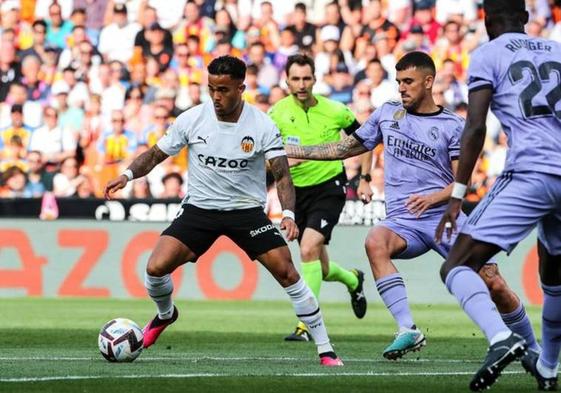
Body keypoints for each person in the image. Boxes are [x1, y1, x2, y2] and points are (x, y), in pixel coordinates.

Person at [283, 51, 538, 363]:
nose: (401, 88)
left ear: (428, 82)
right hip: (403, 222)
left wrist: (434, 198)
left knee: (492, 281)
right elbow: (342, 148)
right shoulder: (387, 114)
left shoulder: (452, 125)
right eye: (398, 82)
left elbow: (465, 181)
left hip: (443, 218)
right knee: (375, 241)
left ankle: (531, 347)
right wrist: (290, 150)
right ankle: (407, 328)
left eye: (408, 82)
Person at [104, 55, 343, 367]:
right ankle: (166, 315)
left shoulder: (261, 125)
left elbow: (282, 174)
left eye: (224, 90)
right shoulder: (192, 119)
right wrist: (127, 175)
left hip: (246, 212)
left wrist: (287, 214)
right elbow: (154, 155)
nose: (217, 96)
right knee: (155, 268)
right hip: (200, 209)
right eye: (211, 88)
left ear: (241, 88)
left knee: (287, 271)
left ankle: (325, 349)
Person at [435, 0, 561, 390]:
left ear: (487, 20)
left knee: (456, 264)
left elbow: (474, 128)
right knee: (554, 272)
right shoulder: (558, 50)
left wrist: (457, 194)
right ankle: (548, 367)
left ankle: (503, 338)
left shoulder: (488, 53)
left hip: (532, 172)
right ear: (525, 18)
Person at [269, 54, 367, 342]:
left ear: (315, 79)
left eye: (306, 78)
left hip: (329, 186)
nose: (301, 84)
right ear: (286, 80)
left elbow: (367, 139)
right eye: (295, 79)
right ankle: (353, 279)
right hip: (295, 193)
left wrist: (365, 178)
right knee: (320, 267)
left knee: (308, 247)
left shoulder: (336, 110)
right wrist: (283, 164)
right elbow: (262, 159)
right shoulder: (276, 114)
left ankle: (306, 324)